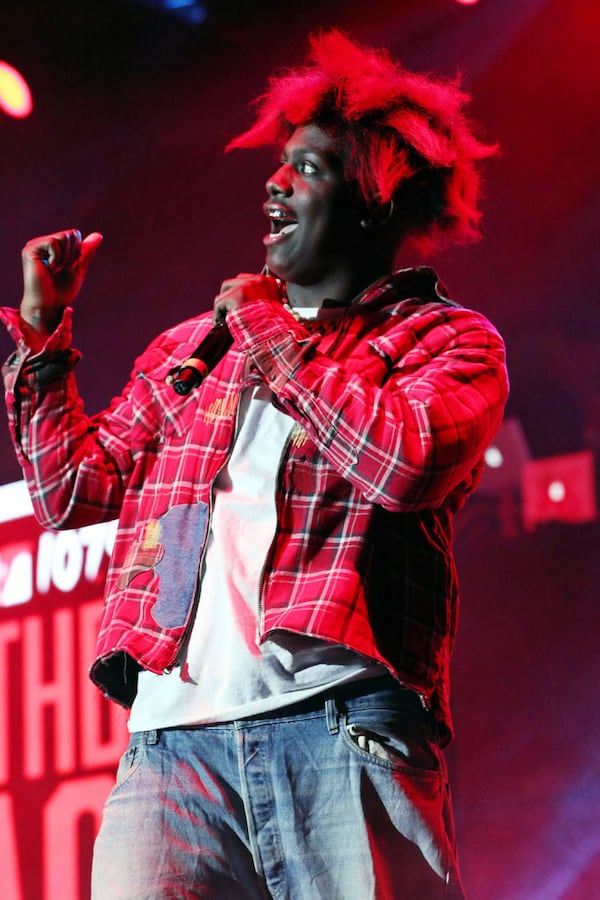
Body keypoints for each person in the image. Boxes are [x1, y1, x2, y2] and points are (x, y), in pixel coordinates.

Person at [2, 30, 508, 900]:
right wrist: (44, 341)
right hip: (171, 755)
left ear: (373, 202)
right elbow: (70, 492)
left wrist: (272, 332)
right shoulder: (195, 349)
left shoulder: (443, 342)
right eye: (280, 167)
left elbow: (405, 462)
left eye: (308, 170)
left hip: (340, 727)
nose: (275, 183)